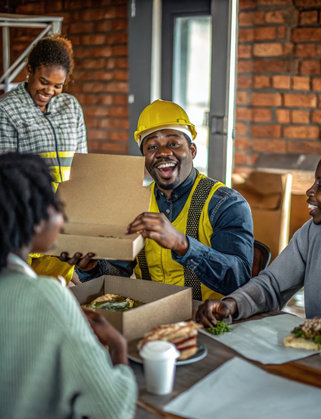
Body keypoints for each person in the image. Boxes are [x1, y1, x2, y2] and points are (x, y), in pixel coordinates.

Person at [0, 153, 137, 419]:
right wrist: (118, 345)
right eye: (56, 205)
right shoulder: (47, 297)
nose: (63, 217)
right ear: (34, 220)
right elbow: (114, 414)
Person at [76, 99, 254, 302]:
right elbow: (118, 275)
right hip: (149, 316)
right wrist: (91, 267)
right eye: (152, 147)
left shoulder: (225, 203)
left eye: (173, 144)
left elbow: (239, 280)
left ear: (192, 151)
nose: (162, 153)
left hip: (208, 320)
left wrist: (183, 244)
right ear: (144, 158)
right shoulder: (134, 202)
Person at [0, 34, 88, 283]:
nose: (49, 91)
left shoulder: (71, 107)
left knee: (63, 288)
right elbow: (6, 177)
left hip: (67, 217)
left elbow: (83, 162)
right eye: (43, 81)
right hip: (30, 222)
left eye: (57, 86)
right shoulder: (7, 110)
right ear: (29, 70)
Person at [196, 158, 321, 326]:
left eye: (320, 185)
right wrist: (232, 303)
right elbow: (273, 285)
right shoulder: (311, 232)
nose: (310, 191)